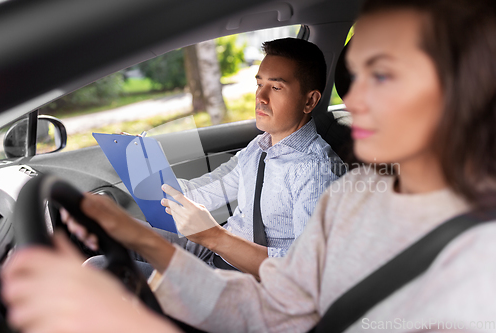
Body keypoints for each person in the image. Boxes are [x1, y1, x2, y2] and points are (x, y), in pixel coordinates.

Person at [3, 0, 496, 332]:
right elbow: (279, 302)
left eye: (384, 75)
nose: (356, 100)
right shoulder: (358, 194)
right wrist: (138, 234)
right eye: (355, 77)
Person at [72, 37, 341, 279]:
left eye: (276, 88)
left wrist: (215, 237)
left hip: (246, 283)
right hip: (213, 253)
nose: (260, 97)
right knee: (111, 230)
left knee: (98, 271)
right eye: (259, 84)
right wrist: (142, 164)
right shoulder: (258, 148)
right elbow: (202, 192)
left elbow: (305, 270)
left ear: (309, 101)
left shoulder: (315, 171)